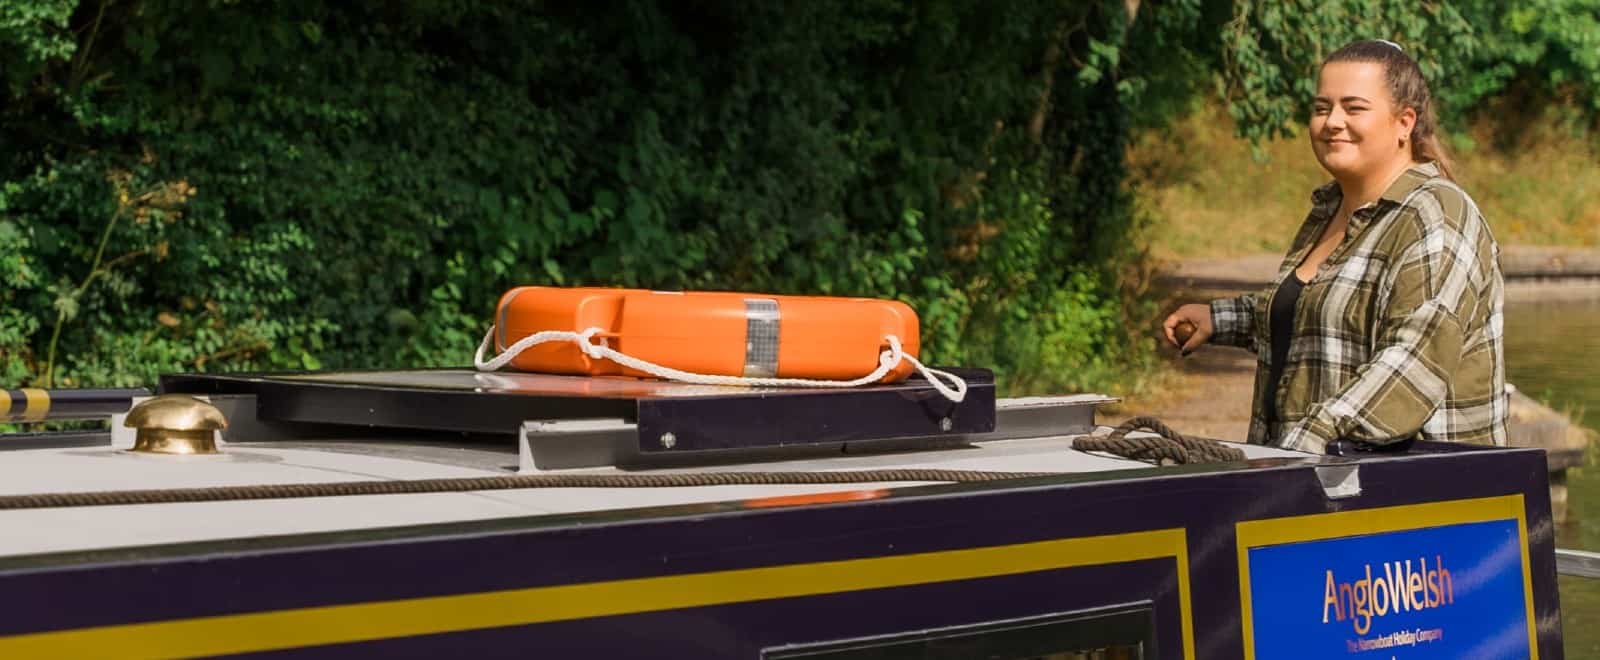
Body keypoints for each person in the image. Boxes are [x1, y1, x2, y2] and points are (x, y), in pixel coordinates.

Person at [1162, 39, 1506, 454]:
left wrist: (1298, 451)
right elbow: (1323, 314)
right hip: (1315, 486)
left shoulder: (1437, 214)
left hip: (1417, 499)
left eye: (1354, 108)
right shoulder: (1330, 209)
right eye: (1322, 108)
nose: (1332, 122)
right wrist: (1222, 319)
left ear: (1404, 122)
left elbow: (1412, 363)